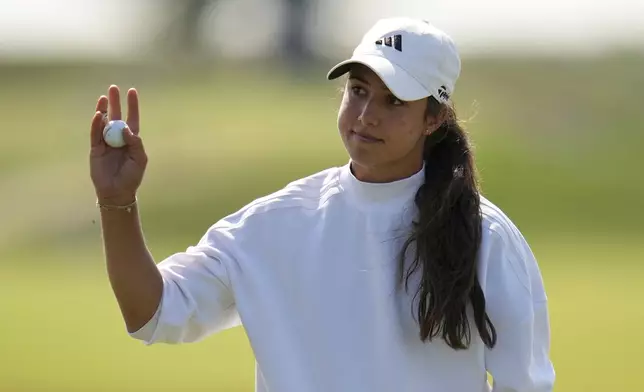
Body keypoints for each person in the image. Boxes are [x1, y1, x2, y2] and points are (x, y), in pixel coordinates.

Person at [89, 17, 555, 392]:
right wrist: (117, 201)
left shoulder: (485, 237)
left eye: (394, 102)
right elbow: (152, 312)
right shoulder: (274, 223)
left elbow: (525, 383)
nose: (368, 114)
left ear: (433, 118)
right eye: (358, 91)